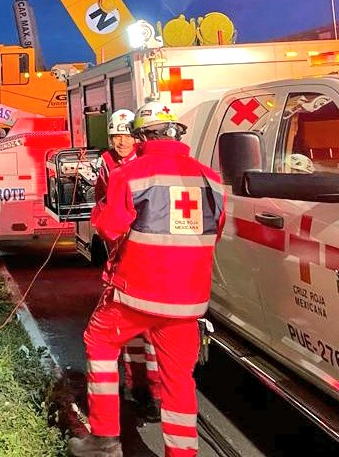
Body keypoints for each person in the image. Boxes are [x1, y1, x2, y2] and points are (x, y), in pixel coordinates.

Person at [70, 102, 226, 457]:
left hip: (134, 295)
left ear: (141, 136)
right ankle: (182, 452)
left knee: (100, 343)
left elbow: (109, 227)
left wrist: (99, 211)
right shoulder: (211, 180)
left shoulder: (131, 174)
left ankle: (105, 439)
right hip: (187, 301)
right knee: (179, 380)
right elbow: (213, 232)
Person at [91, 110, 161, 424]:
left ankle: (152, 395)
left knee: (150, 334)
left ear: (138, 137)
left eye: (127, 135)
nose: (122, 142)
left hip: (148, 259)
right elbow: (103, 205)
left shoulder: (148, 164)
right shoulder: (106, 164)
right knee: (127, 330)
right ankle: (135, 389)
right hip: (121, 258)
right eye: (116, 136)